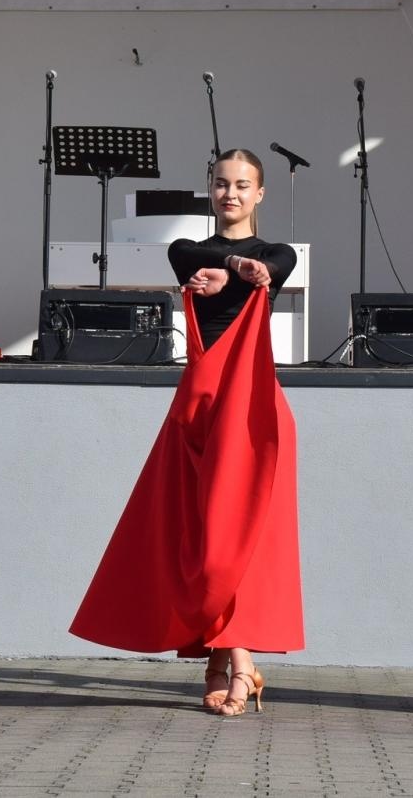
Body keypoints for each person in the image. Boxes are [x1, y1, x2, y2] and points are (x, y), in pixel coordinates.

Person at [71, 149, 302, 717]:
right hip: (199, 404)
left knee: (235, 538)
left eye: (243, 185)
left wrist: (248, 274)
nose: (231, 194)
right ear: (210, 190)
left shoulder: (277, 254)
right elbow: (203, 262)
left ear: (260, 193)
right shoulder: (187, 253)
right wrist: (229, 272)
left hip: (249, 408)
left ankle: (234, 662)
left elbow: (267, 267)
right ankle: (225, 659)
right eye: (222, 184)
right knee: (202, 536)